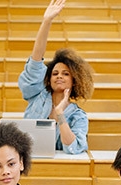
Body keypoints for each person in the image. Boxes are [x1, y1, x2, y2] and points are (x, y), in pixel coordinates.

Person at [18, 0, 94, 155]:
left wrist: (60, 114)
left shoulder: (78, 115)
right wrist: (47, 21)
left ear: (74, 81)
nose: (59, 76)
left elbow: (74, 147)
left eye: (66, 74)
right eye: (55, 73)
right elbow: (36, 60)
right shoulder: (37, 95)